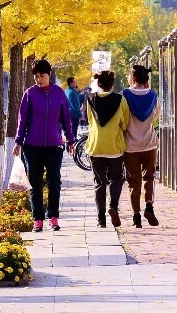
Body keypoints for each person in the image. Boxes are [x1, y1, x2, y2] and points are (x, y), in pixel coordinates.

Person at [14, 59, 75, 232]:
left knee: (54, 181)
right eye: (36, 76)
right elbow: (22, 120)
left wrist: (70, 140)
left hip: (54, 146)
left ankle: (53, 217)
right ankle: (38, 219)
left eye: (42, 76)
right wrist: (18, 141)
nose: (39, 79)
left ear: (49, 75)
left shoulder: (59, 93)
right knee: (35, 183)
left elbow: (66, 119)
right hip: (32, 146)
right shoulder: (30, 94)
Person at [85, 70, 130, 227]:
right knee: (116, 178)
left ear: (98, 83)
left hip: (96, 146)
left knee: (99, 182)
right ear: (113, 84)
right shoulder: (120, 100)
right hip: (114, 147)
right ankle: (113, 206)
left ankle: (101, 219)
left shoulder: (90, 99)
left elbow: (90, 121)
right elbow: (125, 123)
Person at [123, 64, 159, 228]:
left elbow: (122, 118)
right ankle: (149, 205)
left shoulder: (124, 95)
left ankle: (136, 216)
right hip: (149, 143)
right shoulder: (153, 95)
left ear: (133, 78)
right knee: (149, 177)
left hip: (130, 146)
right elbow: (156, 115)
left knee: (133, 181)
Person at [65, 76, 82, 141]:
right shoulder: (72, 92)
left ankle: (70, 143)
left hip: (69, 113)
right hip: (74, 114)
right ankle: (72, 143)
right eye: (74, 82)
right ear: (70, 83)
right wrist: (79, 113)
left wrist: (78, 91)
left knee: (71, 129)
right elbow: (75, 105)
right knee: (74, 129)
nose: (76, 83)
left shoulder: (67, 91)